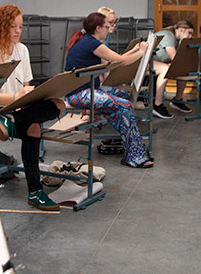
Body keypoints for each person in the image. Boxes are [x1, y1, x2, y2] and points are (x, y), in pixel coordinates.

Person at [0, 5, 64, 211]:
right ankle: (36, 191)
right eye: (13, 26)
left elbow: (27, 84)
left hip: (16, 110)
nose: (18, 31)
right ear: (0, 26)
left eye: (20, 26)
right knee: (33, 127)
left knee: (58, 105)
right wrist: (15, 97)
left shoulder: (22, 50)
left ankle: (35, 192)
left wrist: (28, 97)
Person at [64, 13, 153, 168]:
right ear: (98, 28)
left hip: (89, 89)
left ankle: (125, 138)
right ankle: (135, 156)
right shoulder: (92, 44)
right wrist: (142, 51)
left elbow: (116, 59)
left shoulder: (90, 41)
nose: (109, 29)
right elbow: (122, 62)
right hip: (78, 94)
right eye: (107, 26)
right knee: (124, 105)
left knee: (123, 95)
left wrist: (136, 50)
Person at [151, 19, 195, 117]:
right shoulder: (168, 35)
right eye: (189, 33)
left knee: (182, 68)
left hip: (156, 62)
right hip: (144, 62)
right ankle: (157, 105)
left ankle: (177, 99)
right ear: (182, 30)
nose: (190, 37)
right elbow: (174, 57)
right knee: (166, 69)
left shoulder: (175, 39)